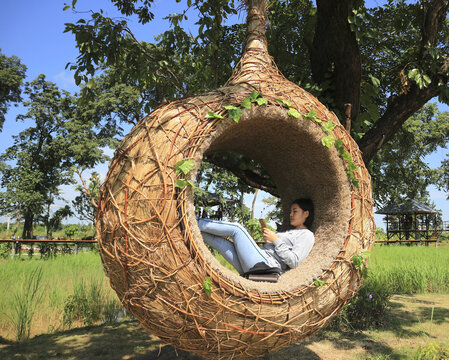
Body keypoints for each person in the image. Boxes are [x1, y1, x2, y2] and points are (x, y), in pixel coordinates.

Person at [197, 198, 315, 276]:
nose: (291, 214)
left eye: (295, 211)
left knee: (237, 229)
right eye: (291, 211)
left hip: (266, 266)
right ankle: (188, 228)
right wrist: (269, 242)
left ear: (306, 213)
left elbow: (294, 262)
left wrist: (276, 240)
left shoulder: (307, 235)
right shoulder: (291, 232)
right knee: (221, 242)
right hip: (258, 261)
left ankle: (193, 219)